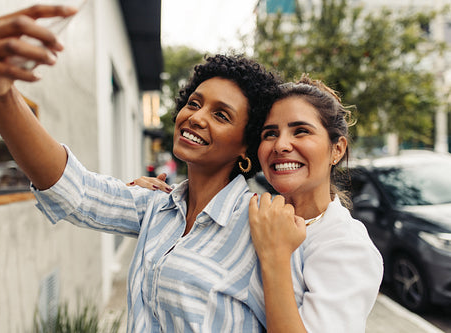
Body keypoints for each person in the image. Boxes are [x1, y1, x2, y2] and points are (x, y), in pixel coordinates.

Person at [0, 5, 282, 332]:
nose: (197, 117)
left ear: (246, 145)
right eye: (194, 102)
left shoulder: (264, 228)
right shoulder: (158, 206)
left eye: (221, 115)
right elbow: (74, 190)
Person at [136, 75, 383, 333]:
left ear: (337, 149)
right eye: (270, 134)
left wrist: (275, 255)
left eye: (301, 131)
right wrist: (168, 195)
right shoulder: (257, 213)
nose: (281, 145)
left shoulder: (346, 246)